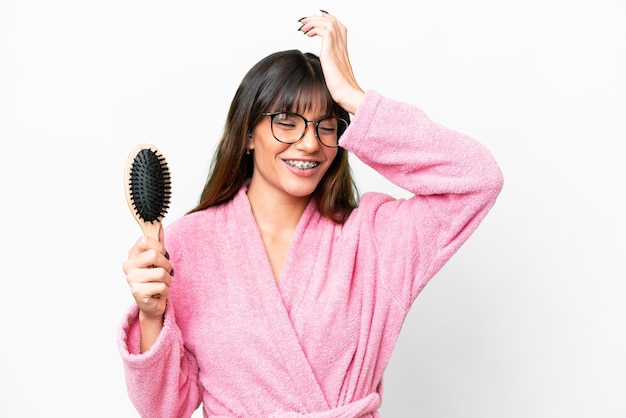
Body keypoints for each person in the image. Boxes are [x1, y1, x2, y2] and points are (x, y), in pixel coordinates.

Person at [119, 10, 503, 418]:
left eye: (327, 126)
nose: (309, 144)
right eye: (287, 123)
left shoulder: (374, 238)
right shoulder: (184, 245)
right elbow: (164, 408)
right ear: (248, 134)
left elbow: (477, 177)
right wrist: (151, 314)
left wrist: (353, 95)